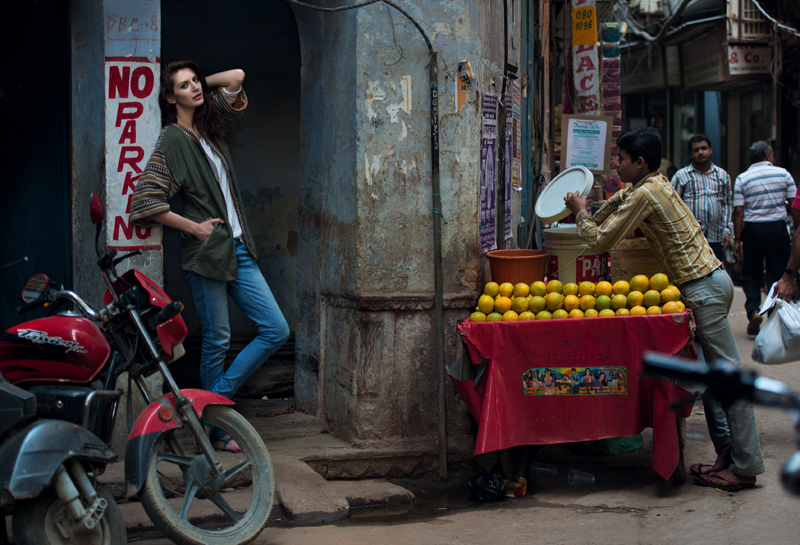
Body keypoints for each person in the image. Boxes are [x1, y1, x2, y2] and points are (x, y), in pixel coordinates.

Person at [564, 127, 764, 491]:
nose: (617, 166)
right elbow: (615, 206)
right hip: (706, 285)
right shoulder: (651, 183)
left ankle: (746, 468)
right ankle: (728, 456)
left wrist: (580, 215)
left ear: (639, 162)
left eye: (621, 160)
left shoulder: (648, 193)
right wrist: (587, 206)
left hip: (703, 288)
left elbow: (601, 240)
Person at [130, 59, 290, 451]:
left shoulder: (209, 129)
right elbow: (144, 201)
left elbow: (237, 77)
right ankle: (216, 430)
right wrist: (193, 226)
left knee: (276, 329)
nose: (196, 89)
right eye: (184, 86)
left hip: (239, 248)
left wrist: (202, 79)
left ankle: (208, 404)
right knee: (217, 338)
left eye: (196, 82)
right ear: (170, 97)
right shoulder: (171, 139)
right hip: (206, 252)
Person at [732, 141, 795, 336]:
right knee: (777, 274)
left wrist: (737, 238)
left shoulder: (743, 178)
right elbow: (794, 203)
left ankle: (752, 311)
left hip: (753, 231)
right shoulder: (783, 174)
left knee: (751, 273)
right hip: (777, 229)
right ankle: (774, 317)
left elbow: (738, 211)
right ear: (768, 155)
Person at [670, 134, 733, 263]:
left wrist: (727, 231)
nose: (700, 152)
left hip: (716, 237)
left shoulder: (722, 175)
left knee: (715, 276)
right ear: (691, 154)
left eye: (704, 148)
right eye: (696, 150)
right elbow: (672, 205)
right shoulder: (681, 176)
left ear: (710, 150)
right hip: (690, 238)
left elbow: (727, 204)